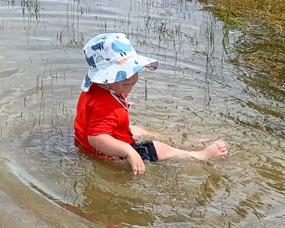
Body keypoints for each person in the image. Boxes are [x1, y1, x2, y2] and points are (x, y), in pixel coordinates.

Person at [74, 32, 228, 175]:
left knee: (136, 130)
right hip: (105, 152)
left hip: (86, 140)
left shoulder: (97, 88)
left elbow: (94, 110)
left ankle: (180, 140)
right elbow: (96, 138)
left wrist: (120, 104)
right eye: (124, 76)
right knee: (158, 148)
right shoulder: (105, 106)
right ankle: (199, 155)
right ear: (105, 78)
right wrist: (129, 152)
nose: (132, 79)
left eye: (134, 71)